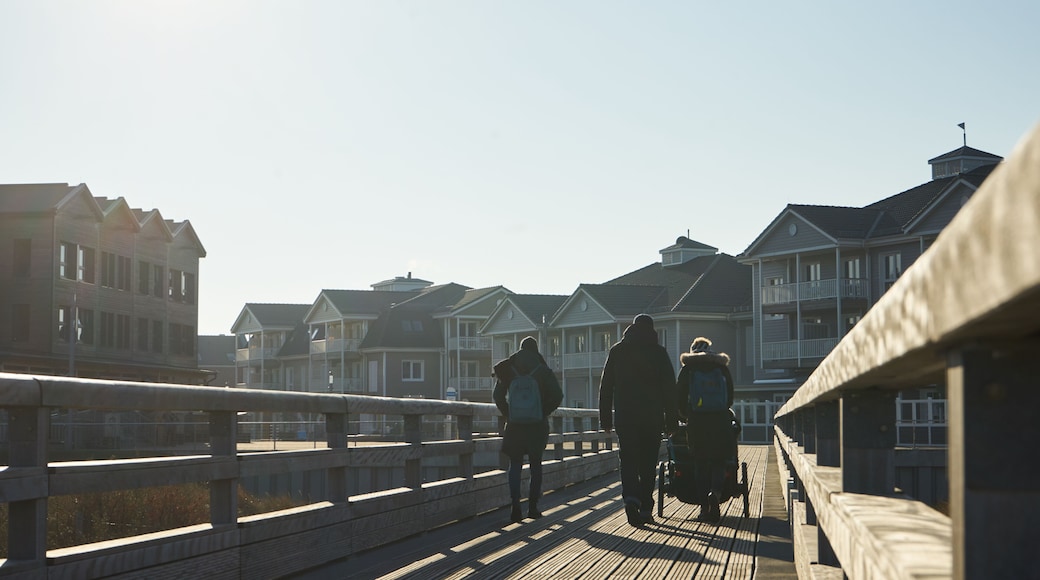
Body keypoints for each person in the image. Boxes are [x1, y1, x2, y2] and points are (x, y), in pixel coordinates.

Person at [598, 314, 678, 527]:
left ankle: (631, 501)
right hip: (652, 418)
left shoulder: (618, 351)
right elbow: (670, 390)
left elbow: (606, 387)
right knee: (648, 464)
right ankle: (645, 507)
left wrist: (605, 419)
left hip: (626, 417)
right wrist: (672, 422)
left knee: (629, 461)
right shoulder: (659, 353)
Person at [493, 336, 564, 523]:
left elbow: (497, 395)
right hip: (536, 427)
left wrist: (509, 413)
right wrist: (542, 412)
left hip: (515, 426)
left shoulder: (508, 368)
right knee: (536, 466)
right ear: (535, 350)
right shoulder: (542, 369)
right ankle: (533, 507)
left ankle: (515, 506)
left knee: (515, 466)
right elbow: (558, 395)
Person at [675, 336, 736, 523]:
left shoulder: (689, 368)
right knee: (718, 461)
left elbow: (679, 397)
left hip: (697, 422)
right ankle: (716, 493)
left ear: (693, 350)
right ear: (710, 349)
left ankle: (704, 508)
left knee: (700, 463)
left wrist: (684, 416)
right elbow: (730, 398)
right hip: (719, 421)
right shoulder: (721, 368)